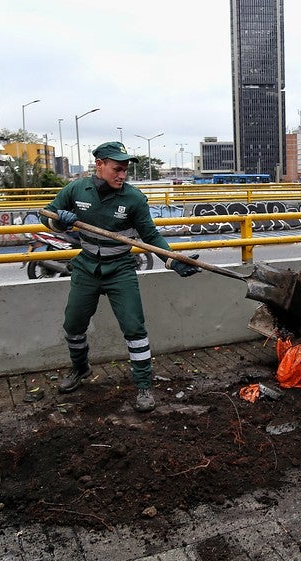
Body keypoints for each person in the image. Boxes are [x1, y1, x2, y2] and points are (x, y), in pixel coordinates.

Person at [39, 141, 200, 413]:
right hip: (86, 266)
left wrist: (172, 260)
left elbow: (151, 236)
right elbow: (45, 215)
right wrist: (59, 221)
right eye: (117, 169)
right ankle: (80, 369)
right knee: (73, 325)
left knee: (134, 329)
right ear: (99, 165)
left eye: (125, 170)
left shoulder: (134, 199)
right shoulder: (77, 190)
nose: (122, 175)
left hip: (121, 268)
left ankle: (143, 385)